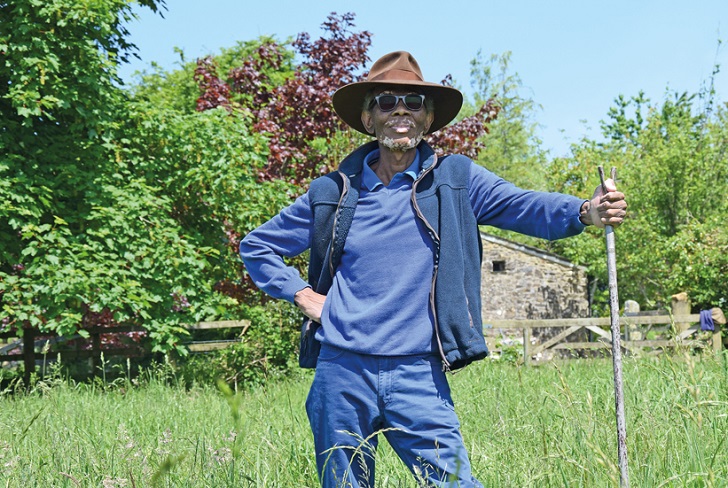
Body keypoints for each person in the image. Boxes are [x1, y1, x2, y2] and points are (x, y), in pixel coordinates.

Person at [239, 51, 627, 488]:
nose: (400, 111)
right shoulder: (333, 191)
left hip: (418, 372)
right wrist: (302, 295)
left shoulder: (454, 180)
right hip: (342, 371)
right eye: (386, 101)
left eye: (414, 102)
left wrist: (586, 210)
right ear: (369, 120)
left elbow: (524, 205)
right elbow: (257, 246)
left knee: (454, 483)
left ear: (428, 120)